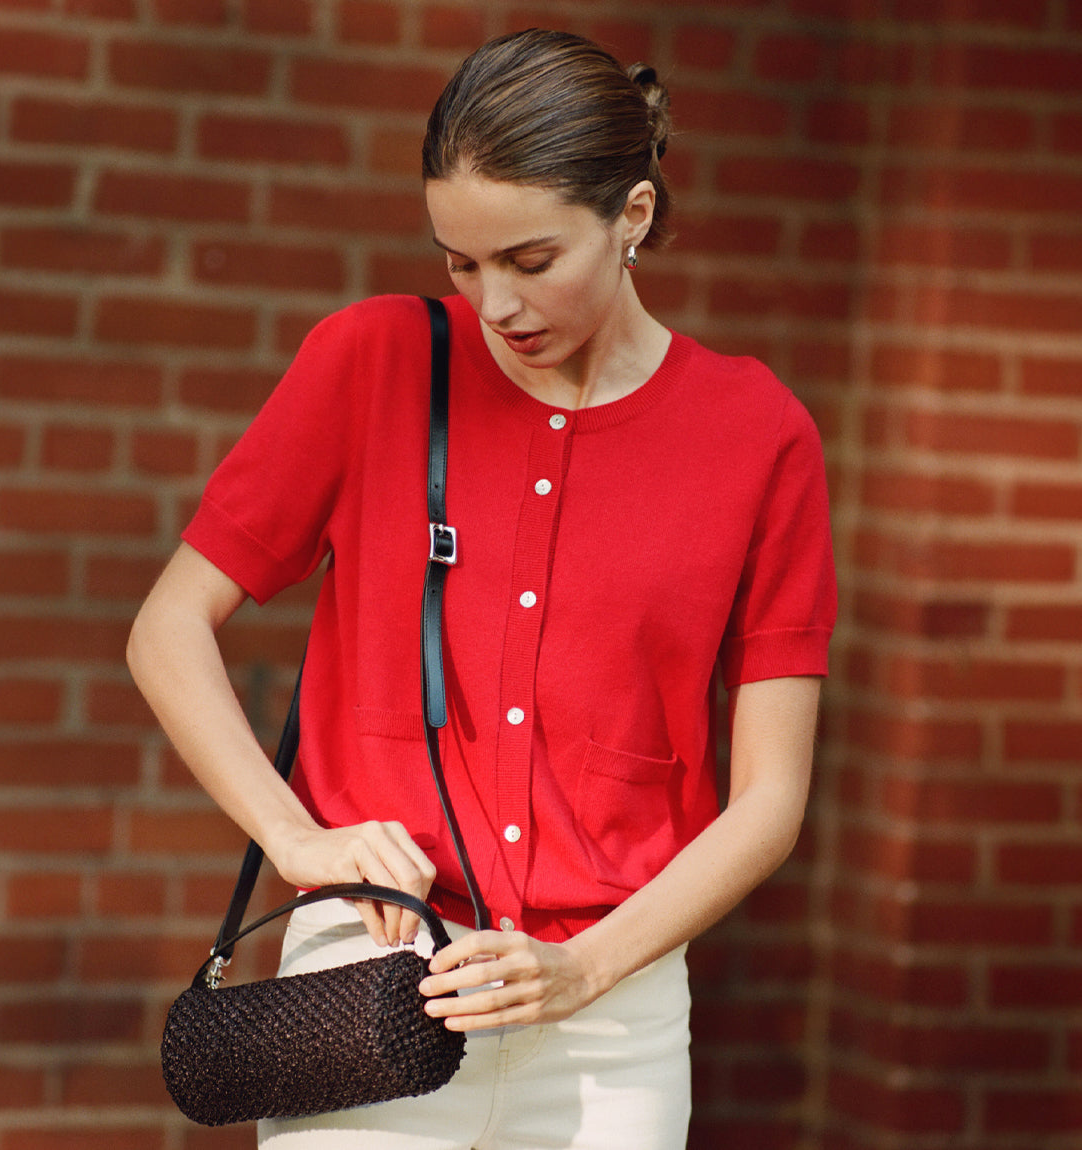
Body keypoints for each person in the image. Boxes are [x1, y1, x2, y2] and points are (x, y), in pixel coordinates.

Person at [128, 28, 836, 1150]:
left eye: (529, 259)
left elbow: (768, 801)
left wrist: (585, 966)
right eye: (460, 262)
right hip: (367, 986)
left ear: (634, 218)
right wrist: (295, 835)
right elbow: (169, 627)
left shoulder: (759, 438)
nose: (493, 302)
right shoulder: (371, 363)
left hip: (612, 1021)